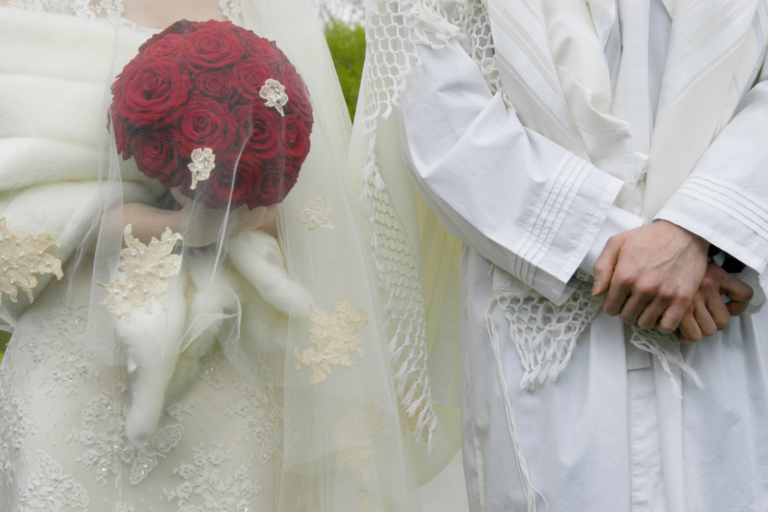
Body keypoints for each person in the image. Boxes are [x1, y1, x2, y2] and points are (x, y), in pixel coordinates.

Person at [0, 1, 436, 511]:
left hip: (233, 355)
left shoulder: (264, 11)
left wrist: (243, 201)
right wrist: (181, 225)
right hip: (77, 353)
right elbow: (23, 198)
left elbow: (313, 204)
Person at [352, 0, 768, 510]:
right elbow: (442, 122)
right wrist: (622, 249)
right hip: (548, 325)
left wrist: (694, 228)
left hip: (721, 314)